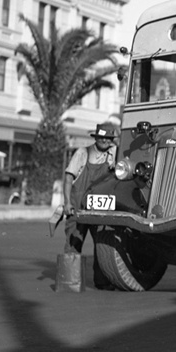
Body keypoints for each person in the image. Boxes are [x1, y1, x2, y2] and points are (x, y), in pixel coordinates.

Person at [63, 122, 118, 290]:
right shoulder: (82, 153)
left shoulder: (113, 154)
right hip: (78, 206)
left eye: (108, 138)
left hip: (100, 209)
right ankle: (70, 281)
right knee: (74, 242)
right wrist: (67, 202)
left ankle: (103, 281)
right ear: (96, 137)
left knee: (103, 245)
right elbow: (68, 178)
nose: (104, 141)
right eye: (102, 137)